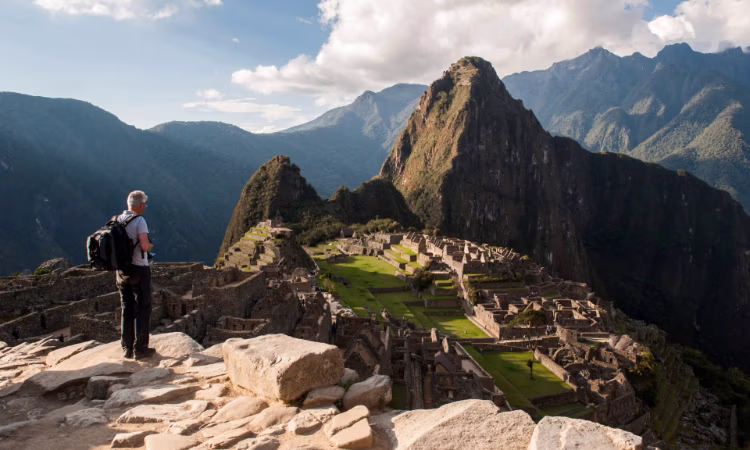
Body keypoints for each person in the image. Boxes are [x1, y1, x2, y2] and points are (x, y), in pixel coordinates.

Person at [116, 190, 155, 360]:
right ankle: (141, 348)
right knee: (143, 307)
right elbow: (144, 245)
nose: (145, 207)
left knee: (126, 307)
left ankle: (126, 348)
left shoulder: (117, 220)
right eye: (144, 204)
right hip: (139, 269)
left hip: (121, 272)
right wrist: (150, 246)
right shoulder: (140, 221)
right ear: (140, 205)